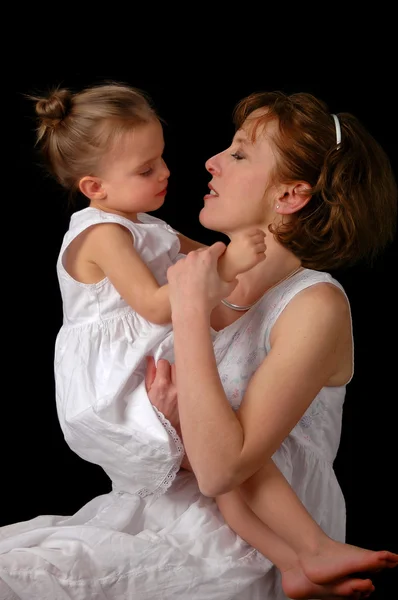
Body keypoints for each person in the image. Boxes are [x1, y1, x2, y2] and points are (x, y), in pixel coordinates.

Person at [0, 88, 396, 600]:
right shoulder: (182, 272)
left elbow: (222, 468)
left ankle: (308, 556)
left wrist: (187, 316)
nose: (209, 162)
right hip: (163, 514)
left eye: (238, 153)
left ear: (289, 196)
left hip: (240, 547)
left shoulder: (313, 305)